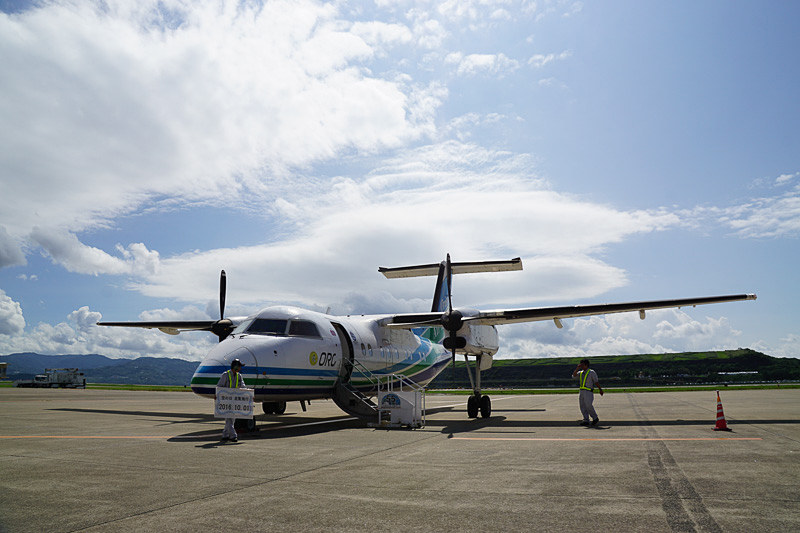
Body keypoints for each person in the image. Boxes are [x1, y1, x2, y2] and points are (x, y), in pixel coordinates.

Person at [216, 359, 246, 442]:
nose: (240, 368)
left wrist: (249, 395)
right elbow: (219, 387)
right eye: (239, 366)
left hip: (234, 401)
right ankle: (233, 436)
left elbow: (243, 386)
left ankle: (225, 435)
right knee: (229, 418)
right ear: (236, 367)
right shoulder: (225, 375)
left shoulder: (239, 376)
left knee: (232, 419)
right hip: (226, 401)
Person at [572, 358, 603, 426]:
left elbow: (596, 382)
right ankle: (586, 419)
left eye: (582, 364)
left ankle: (595, 417)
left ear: (586, 365)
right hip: (582, 391)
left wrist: (600, 389)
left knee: (588, 405)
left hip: (588, 391)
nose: (581, 366)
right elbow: (574, 376)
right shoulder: (580, 373)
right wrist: (577, 368)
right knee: (582, 406)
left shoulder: (591, 372)